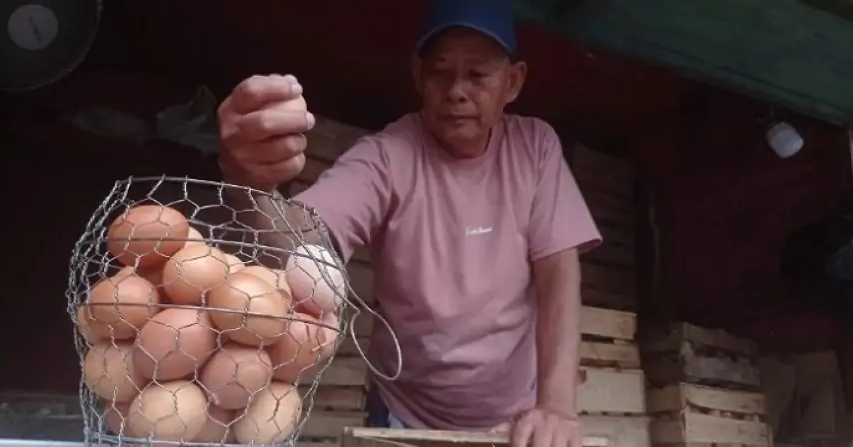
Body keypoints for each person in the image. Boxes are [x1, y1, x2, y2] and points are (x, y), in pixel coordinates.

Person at [216, 1, 601, 446]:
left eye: (478, 76)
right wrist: (250, 185)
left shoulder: (535, 148)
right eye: (441, 73)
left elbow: (558, 273)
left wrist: (556, 407)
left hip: (513, 415)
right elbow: (306, 241)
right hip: (404, 413)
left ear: (512, 83)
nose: (457, 91)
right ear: (418, 76)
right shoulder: (389, 156)